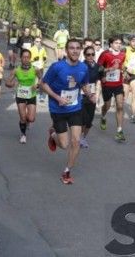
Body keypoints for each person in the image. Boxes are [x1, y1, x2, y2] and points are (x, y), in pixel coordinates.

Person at [41, 38, 94, 184]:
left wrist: (90, 94)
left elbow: (84, 84)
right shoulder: (57, 67)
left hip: (75, 108)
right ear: (66, 50)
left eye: (78, 48)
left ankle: (67, 171)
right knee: (64, 145)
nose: (75, 50)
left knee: (76, 141)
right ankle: (53, 134)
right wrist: (57, 97)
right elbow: (43, 84)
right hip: (57, 109)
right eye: (72, 48)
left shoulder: (83, 67)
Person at [5, 49, 43, 144]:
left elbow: (41, 79)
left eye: (28, 57)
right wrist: (10, 84)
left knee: (31, 118)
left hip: (31, 95)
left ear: (30, 58)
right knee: (22, 117)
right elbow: (7, 82)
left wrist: (37, 85)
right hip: (20, 95)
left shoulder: (35, 69)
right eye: (24, 57)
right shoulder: (16, 70)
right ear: (20, 58)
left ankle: (27, 122)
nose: (26, 59)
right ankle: (23, 134)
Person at [97, 36, 126, 142]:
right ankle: (103, 116)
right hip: (107, 84)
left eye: (120, 43)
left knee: (120, 105)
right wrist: (110, 69)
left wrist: (124, 70)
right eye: (116, 43)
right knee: (107, 105)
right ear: (110, 44)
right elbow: (99, 68)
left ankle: (119, 131)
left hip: (118, 84)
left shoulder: (123, 55)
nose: (118, 45)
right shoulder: (105, 55)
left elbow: (122, 66)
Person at [80, 46, 104, 148]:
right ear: (84, 55)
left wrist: (97, 96)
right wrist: (89, 95)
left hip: (93, 95)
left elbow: (99, 81)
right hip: (81, 95)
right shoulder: (81, 66)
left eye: (93, 54)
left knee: (89, 121)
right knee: (83, 119)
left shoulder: (98, 67)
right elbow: (81, 82)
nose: (91, 56)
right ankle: (78, 137)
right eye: (88, 54)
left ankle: (83, 138)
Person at [123, 35, 135, 123]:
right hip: (126, 75)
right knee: (125, 96)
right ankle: (120, 111)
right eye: (133, 41)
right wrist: (125, 71)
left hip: (134, 75)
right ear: (130, 42)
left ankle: (133, 115)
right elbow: (121, 61)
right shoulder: (125, 49)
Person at [30, 37, 48, 102]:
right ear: (34, 42)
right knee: (33, 81)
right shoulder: (30, 49)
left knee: (41, 81)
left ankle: (41, 96)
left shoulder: (43, 49)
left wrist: (45, 58)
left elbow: (45, 56)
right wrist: (33, 59)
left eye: (40, 41)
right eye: (37, 41)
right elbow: (27, 59)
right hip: (33, 68)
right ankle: (31, 95)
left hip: (40, 67)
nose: (38, 43)